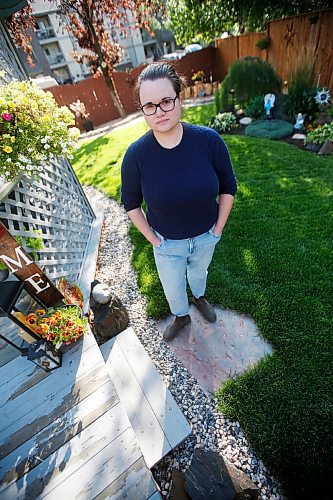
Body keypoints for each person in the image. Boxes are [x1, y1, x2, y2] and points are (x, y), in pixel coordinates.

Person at [121, 62, 237, 341]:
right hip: (167, 243)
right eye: (149, 105)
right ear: (143, 109)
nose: (159, 112)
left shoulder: (208, 141)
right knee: (173, 288)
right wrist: (155, 240)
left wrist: (217, 230)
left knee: (199, 275)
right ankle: (182, 316)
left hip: (206, 235)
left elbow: (228, 187)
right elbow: (131, 204)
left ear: (179, 98)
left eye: (166, 101)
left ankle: (199, 298)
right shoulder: (136, 156)